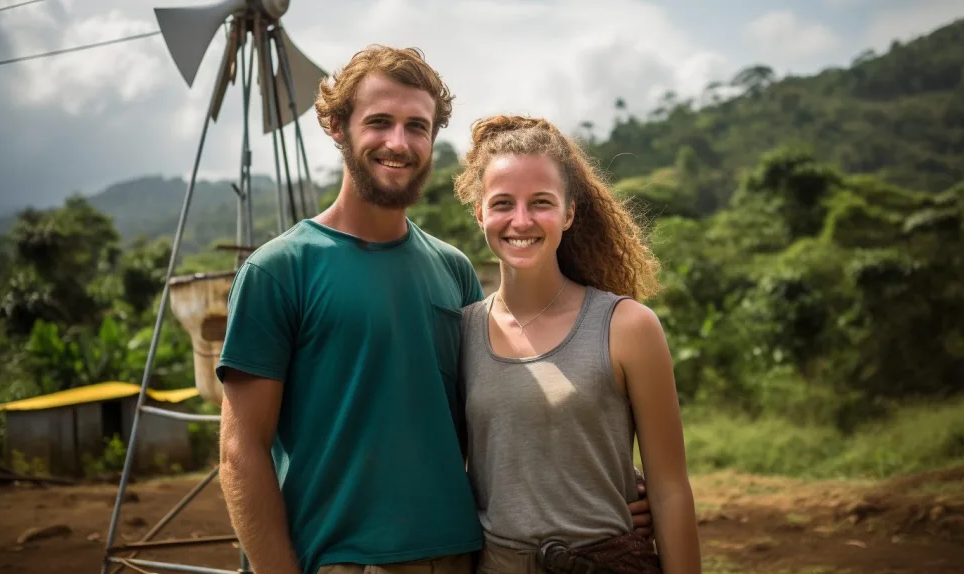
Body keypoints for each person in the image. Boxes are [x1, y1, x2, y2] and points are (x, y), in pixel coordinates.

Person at [215, 45, 653, 574]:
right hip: (343, 561)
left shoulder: (453, 271)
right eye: (379, 122)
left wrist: (608, 491)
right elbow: (241, 453)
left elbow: (497, 423)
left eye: (416, 126)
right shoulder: (279, 271)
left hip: (462, 555)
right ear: (336, 126)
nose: (398, 143)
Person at [453, 115, 701, 574]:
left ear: (568, 212)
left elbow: (669, 489)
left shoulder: (627, 326)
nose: (521, 220)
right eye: (503, 202)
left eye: (541, 202)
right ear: (480, 212)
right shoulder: (461, 332)